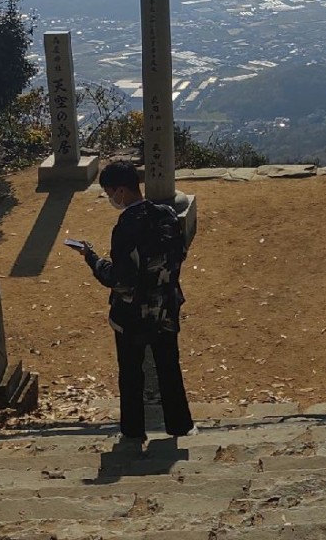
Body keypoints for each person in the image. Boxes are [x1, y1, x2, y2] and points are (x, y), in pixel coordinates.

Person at [70, 160, 194, 446]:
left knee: (131, 372)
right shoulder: (167, 215)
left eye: (110, 192)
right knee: (168, 367)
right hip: (165, 304)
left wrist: (91, 257)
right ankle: (180, 425)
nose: (111, 199)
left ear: (122, 191)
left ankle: (133, 430)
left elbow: (119, 278)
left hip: (133, 312)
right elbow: (179, 255)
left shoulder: (127, 225)